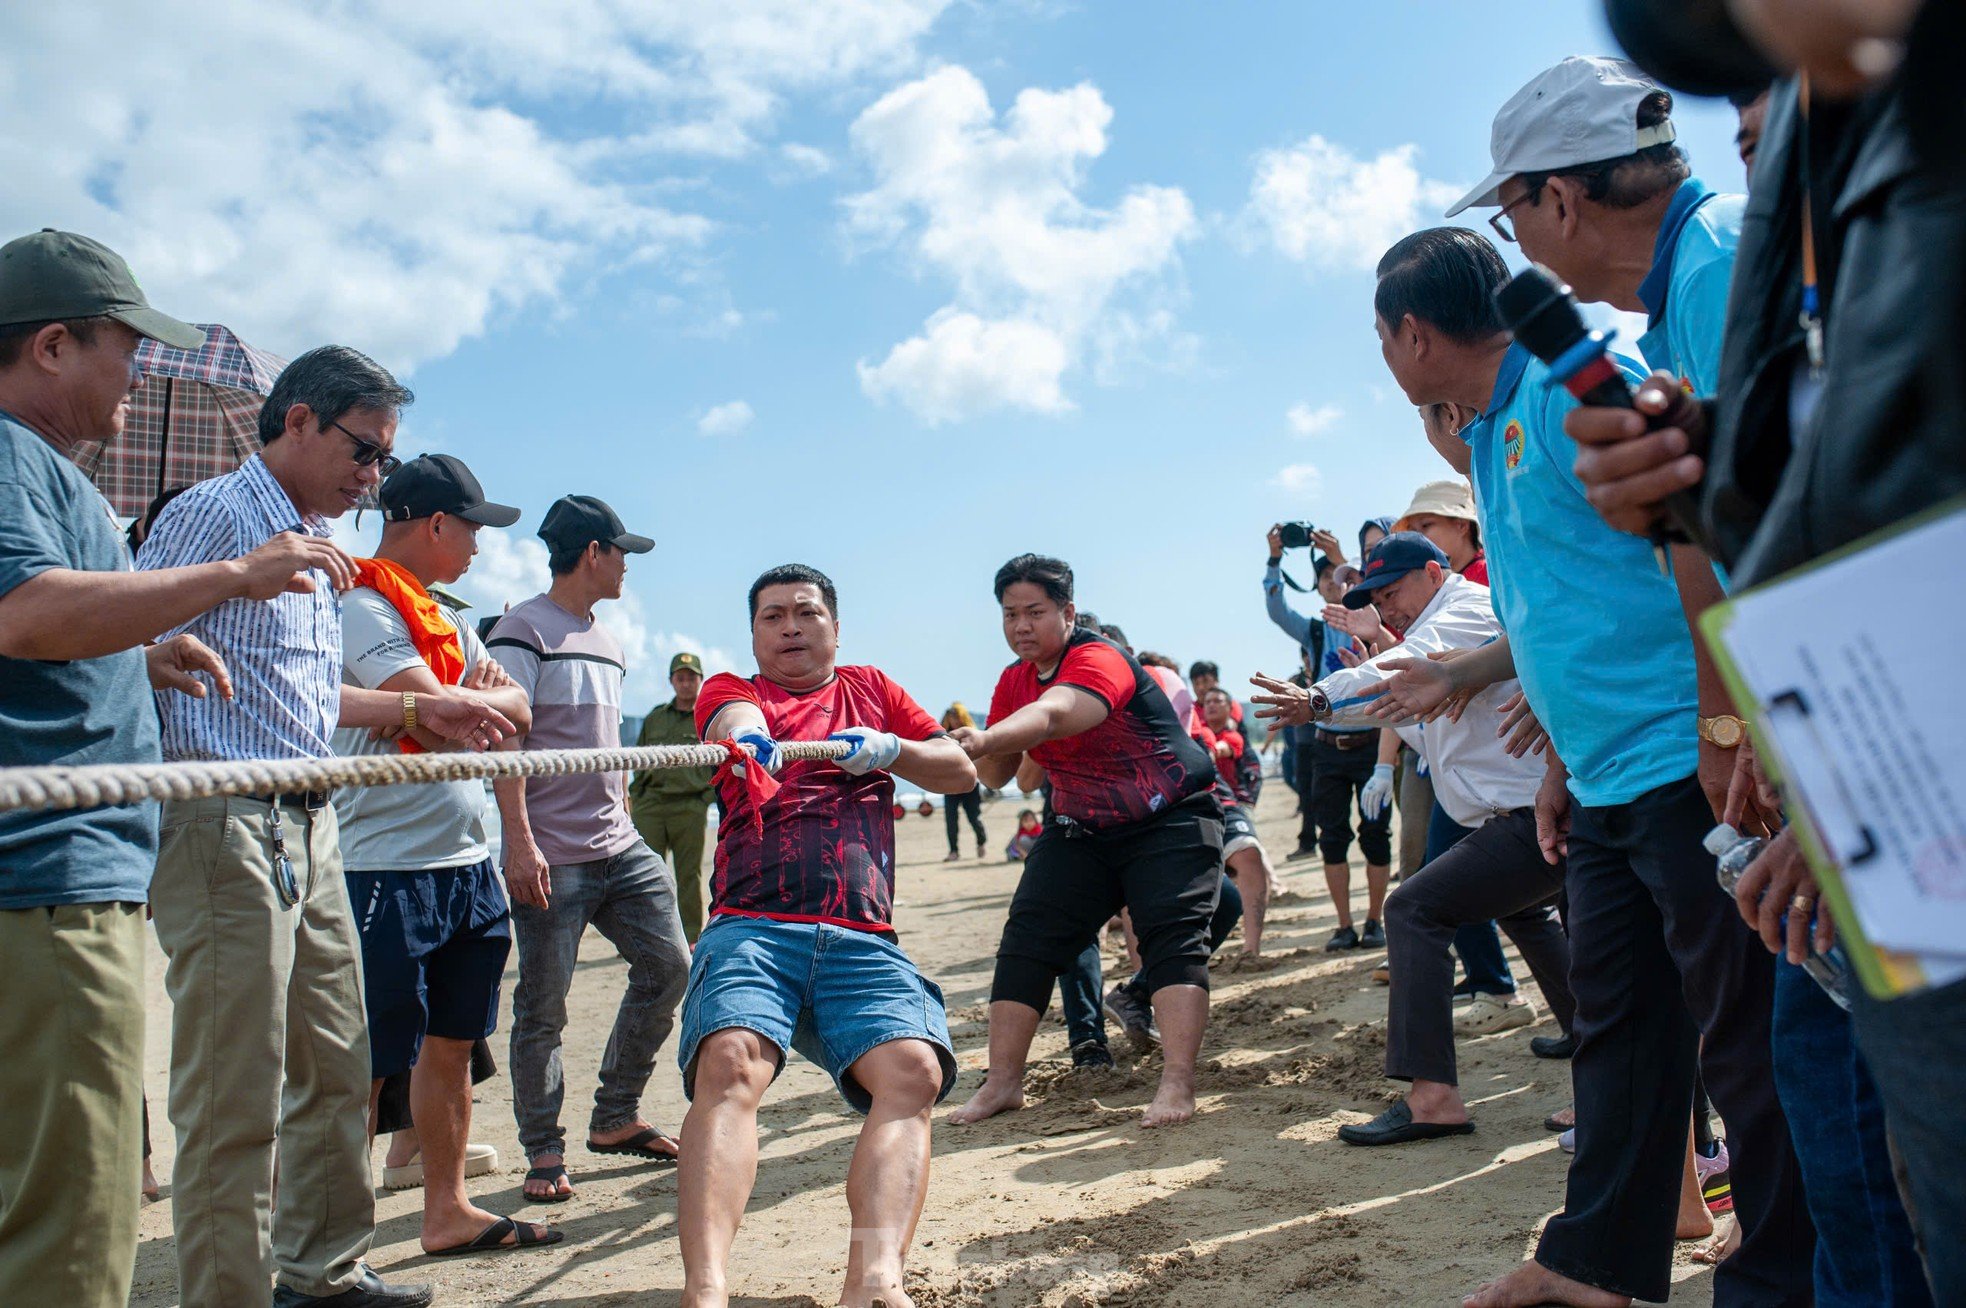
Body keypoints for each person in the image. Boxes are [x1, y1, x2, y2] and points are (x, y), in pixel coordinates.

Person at [1575, 4, 1965, 1297]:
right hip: (1897, 803)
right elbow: (1878, 453)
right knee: (1877, 1143)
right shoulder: (1819, 120)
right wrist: (1700, 467)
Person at [1370, 225, 1809, 1308]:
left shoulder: (1570, 392)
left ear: (1412, 334)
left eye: (1381, 335)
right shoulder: (1492, 431)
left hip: (1683, 763)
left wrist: (1722, 731)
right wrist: (1561, 760)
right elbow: (1556, 609)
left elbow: (1694, 543)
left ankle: (1780, 1268)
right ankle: (1594, 1262)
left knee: (1741, 1031)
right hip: (1603, 774)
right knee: (1615, 1027)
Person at [139, 343, 517, 1308]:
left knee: (340, 1064)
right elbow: (133, 641)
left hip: (312, 825)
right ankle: (225, 1293)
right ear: (297, 419)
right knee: (235, 1090)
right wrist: (236, 575)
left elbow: (305, 696)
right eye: (364, 450)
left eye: (386, 459)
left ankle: (323, 1271)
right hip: (222, 819)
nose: (374, 476)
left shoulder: (319, 548)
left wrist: (412, 711)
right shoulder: (214, 517)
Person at [0, 229, 272, 1308]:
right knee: (76, 1210)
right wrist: (234, 574)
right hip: (50, 883)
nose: (137, 370)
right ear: (56, 346)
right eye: (125, 345)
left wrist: (136, 650)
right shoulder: (13, 454)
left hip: (52, 880)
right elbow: (23, 612)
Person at [676, 563, 973, 1308]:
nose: (790, 628)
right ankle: (706, 1291)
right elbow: (730, 721)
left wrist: (891, 750)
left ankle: (874, 1281)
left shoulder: (872, 689)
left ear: (835, 627)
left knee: (913, 1072)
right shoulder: (731, 691)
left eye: (806, 613)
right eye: (772, 617)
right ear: (753, 634)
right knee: (731, 1062)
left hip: (860, 937)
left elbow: (960, 771)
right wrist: (755, 740)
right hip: (751, 926)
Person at [1251, 534, 1575, 1145]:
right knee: (1526, 916)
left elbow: (1397, 670)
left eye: (1393, 591)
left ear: (1433, 572)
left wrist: (1318, 695)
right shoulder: (1428, 628)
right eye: (1377, 597)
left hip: (1541, 810)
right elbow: (1409, 712)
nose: (1388, 606)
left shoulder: (1467, 607)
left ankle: (1432, 1097)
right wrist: (1337, 701)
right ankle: (1599, 1055)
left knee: (1413, 907)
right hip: (1521, 812)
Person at [331, 454, 561, 1258]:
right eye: (471, 529)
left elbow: (514, 710)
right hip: (382, 864)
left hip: (464, 862)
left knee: (454, 1043)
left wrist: (468, 706)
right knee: (364, 1058)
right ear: (434, 524)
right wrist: (462, 705)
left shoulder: (447, 618)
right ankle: (331, 1237)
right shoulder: (364, 609)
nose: (477, 546)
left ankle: (446, 1207)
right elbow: (434, 715)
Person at [949, 554, 1223, 1128]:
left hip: (1169, 817)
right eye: (1009, 615)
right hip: (1080, 829)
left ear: (1067, 612)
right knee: (1027, 938)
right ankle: (1003, 1082)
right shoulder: (1012, 680)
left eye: (1035, 612)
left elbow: (1054, 715)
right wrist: (973, 746)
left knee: (1172, 939)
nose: (1021, 626)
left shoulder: (1099, 657)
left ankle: (1177, 1083)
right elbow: (998, 776)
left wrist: (991, 734)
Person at [489, 494, 694, 1203]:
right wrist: (519, 844)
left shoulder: (607, 640)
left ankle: (615, 1114)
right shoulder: (521, 630)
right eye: (622, 554)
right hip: (554, 854)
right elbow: (507, 741)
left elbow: (599, 743)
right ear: (592, 553)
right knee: (543, 1008)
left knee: (670, 965)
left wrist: (627, 808)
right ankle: (543, 1151)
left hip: (620, 843)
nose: (627, 567)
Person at [1264, 534, 1391, 948]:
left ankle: (1375, 920)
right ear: (1318, 587)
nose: (1332, 585)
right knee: (1331, 838)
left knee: (1376, 835)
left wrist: (1341, 561)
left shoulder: (1376, 619)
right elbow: (1277, 610)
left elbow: (1368, 597)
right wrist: (1274, 559)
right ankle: (1344, 924)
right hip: (1327, 746)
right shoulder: (1315, 632)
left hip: (1372, 743)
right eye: (1324, 579)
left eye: (1339, 578)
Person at [630, 652, 717, 941]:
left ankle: (691, 935)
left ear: (700, 680)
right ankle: (646, 937)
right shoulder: (655, 717)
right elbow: (640, 759)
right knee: (646, 875)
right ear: (671, 681)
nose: (686, 683)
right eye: (680, 677)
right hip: (651, 806)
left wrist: (704, 799)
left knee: (688, 876)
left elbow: (718, 762)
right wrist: (636, 797)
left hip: (689, 806)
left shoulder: (708, 718)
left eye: (691, 677)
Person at [1193, 686, 1277, 957]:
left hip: (1230, 805)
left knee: (1251, 855)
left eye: (1219, 701)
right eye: (1208, 702)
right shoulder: (1199, 730)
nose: (1213, 706)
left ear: (1231, 709)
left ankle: (1251, 949)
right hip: (1198, 805)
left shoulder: (1233, 736)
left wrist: (1207, 748)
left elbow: (1223, 749)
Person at [937, 702, 989, 861]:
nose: (953, 720)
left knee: (974, 817)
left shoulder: (971, 733)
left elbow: (981, 758)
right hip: (949, 784)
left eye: (956, 717)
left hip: (970, 783)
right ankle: (954, 851)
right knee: (951, 819)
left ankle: (981, 842)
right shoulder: (942, 736)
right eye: (950, 717)